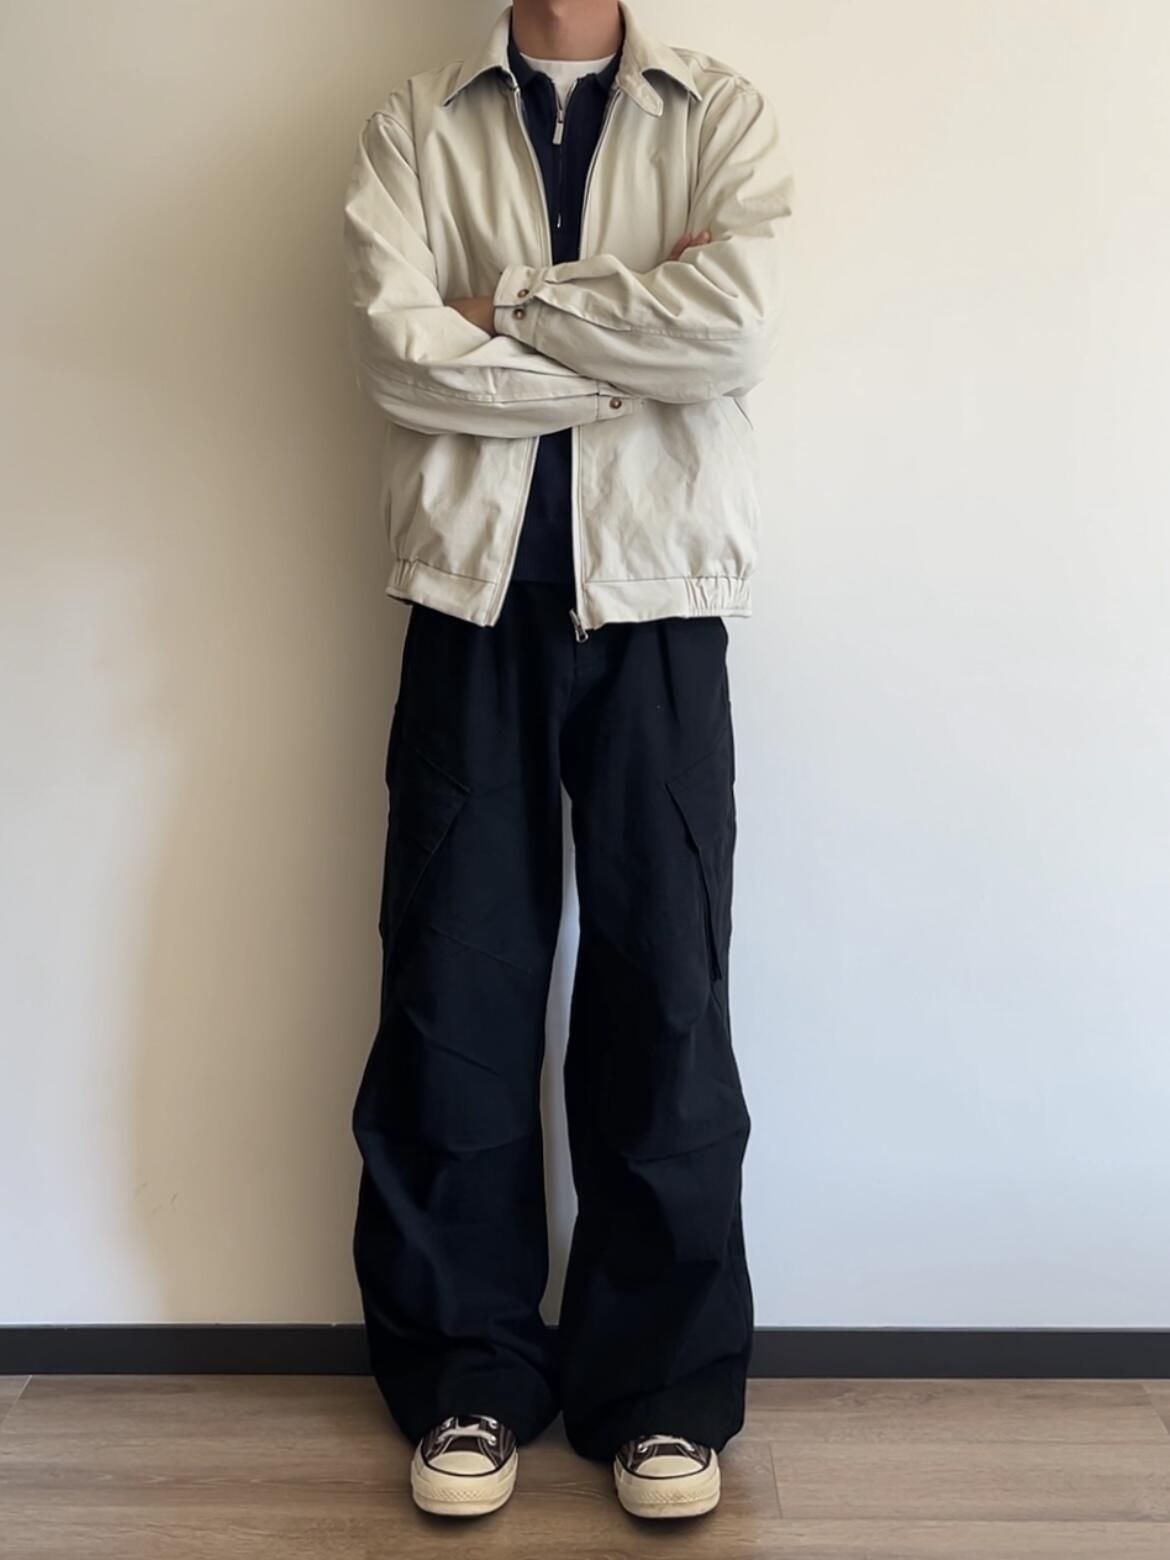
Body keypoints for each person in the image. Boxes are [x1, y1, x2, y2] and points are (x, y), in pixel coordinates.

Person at [342, 0, 792, 1522]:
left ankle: (661, 1396)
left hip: (660, 600)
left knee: (665, 991)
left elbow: (733, 332)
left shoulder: (716, 113)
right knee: (451, 990)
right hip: (469, 603)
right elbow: (400, 354)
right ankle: (466, 1377)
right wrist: (630, 344)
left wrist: (510, 307)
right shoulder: (416, 122)